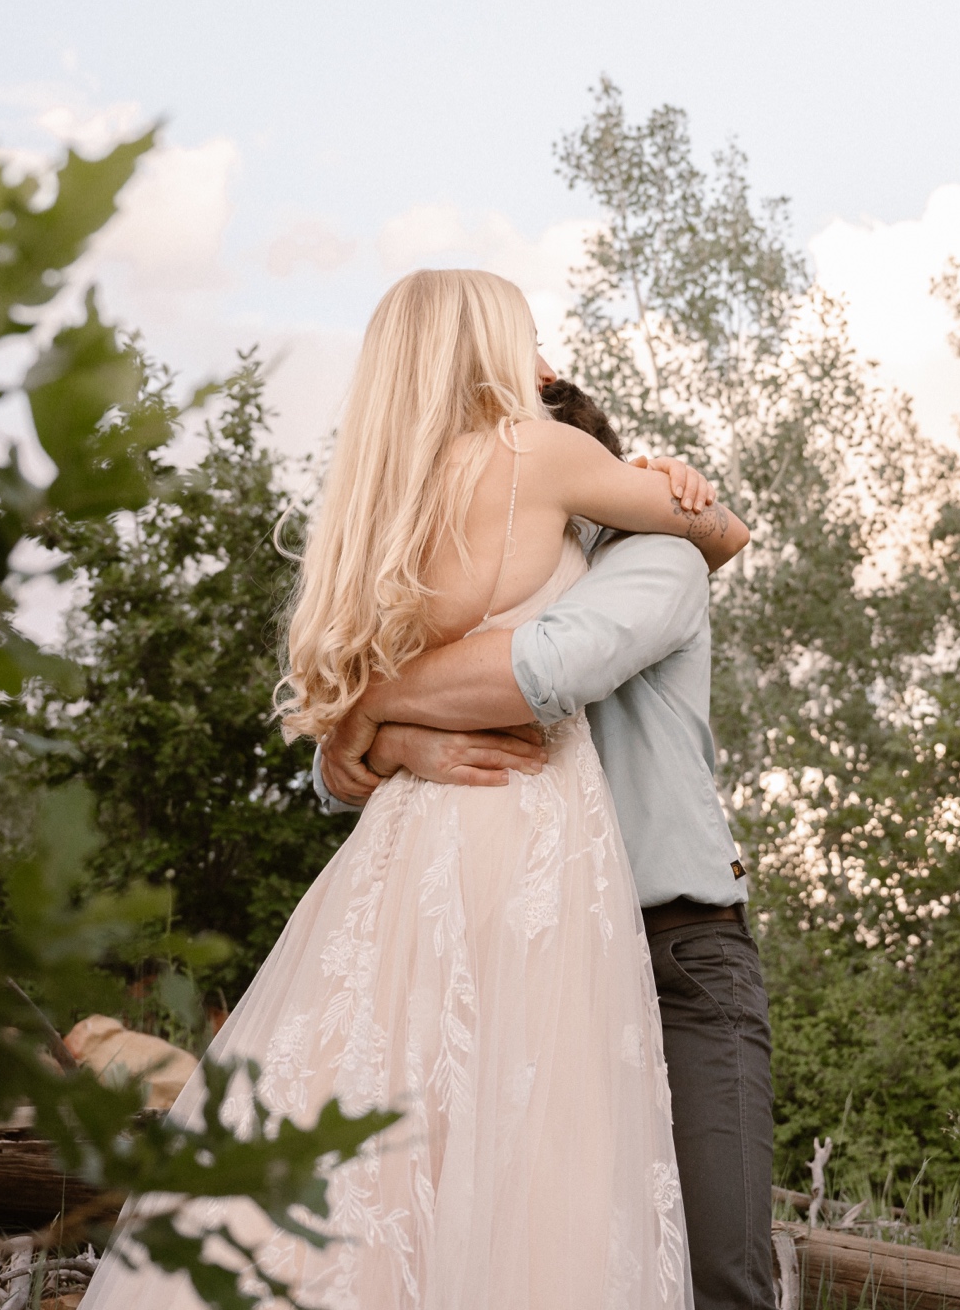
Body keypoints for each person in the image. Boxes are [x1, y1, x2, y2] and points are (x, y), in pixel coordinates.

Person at [81, 269, 745, 1310]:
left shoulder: (377, 507)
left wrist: (369, 719)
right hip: (525, 843)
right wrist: (682, 487)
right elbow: (714, 540)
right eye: (527, 338)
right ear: (488, 353)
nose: (544, 362)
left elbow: (357, 719)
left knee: (382, 1150)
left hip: (417, 858)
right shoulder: (542, 460)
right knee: (511, 1169)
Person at [315, 374, 777, 1310]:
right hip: (516, 955)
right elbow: (330, 778)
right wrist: (378, 741)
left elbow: (553, 670)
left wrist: (364, 704)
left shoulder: (660, 559)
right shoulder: (474, 592)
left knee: (717, 1268)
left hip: (673, 950)